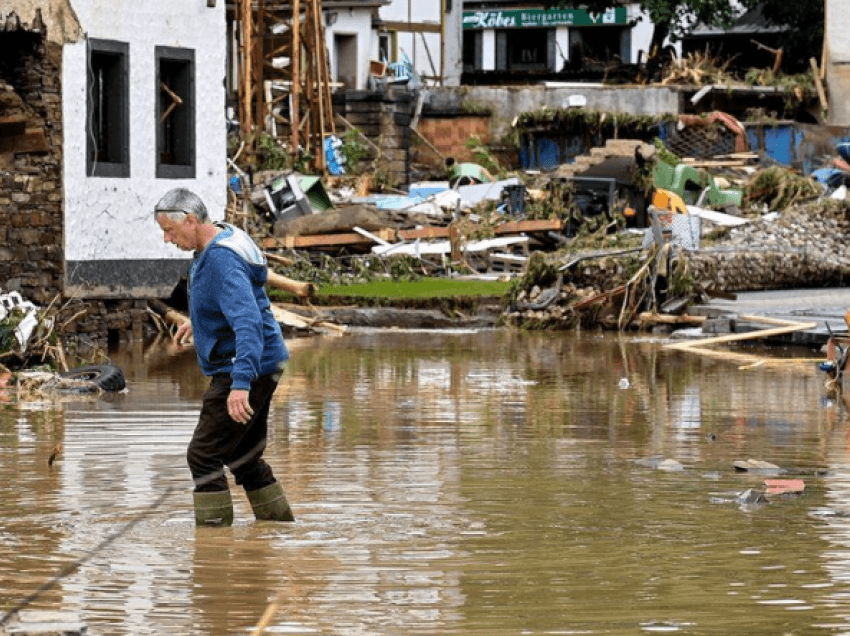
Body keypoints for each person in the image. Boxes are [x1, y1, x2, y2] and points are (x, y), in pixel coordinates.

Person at [153, 187, 294, 526]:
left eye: (169, 231)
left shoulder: (220, 259)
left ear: (190, 220)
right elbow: (233, 305)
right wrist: (199, 326)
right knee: (243, 458)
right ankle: (277, 530)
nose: (166, 239)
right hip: (265, 360)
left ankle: (213, 548)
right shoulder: (218, 237)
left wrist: (240, 383)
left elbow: (248, 324)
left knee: (203, 456)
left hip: (245, 366)